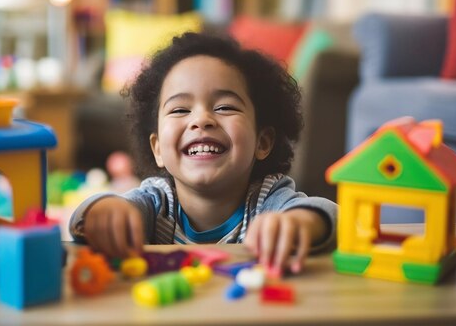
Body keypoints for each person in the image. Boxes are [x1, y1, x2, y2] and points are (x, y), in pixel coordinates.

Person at [70, 32, 336, 274]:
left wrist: (301, 223)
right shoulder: (156, 201)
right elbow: (91, 217)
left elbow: (330, 213)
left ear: (262, 142)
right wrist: (104, 210)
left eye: (224, 107)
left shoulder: (268, 200)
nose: (202, 119)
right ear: (158, 149)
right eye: (180, 110)